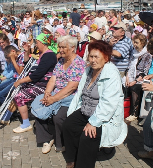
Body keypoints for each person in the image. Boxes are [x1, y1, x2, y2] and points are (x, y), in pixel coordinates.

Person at [62, 40, 127, 168]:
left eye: (96, 57)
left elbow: (109, 103)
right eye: (90, 56)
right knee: (68, 125)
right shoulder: (89, 71)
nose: (92, 60)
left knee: (88, 136)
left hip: (103, 116)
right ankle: (71, 160)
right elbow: (80, 94)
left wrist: (93, 122)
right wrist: (73, 112)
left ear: (106, 58)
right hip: (86, 109)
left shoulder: (111, 74)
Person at [31, 35, 86, 154]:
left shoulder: (78, 63)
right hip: (56, 93)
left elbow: (72, 87)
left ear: (72, 48)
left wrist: (53, 99)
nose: (60, 50)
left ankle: (62, 141)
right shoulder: (61, 61)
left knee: (59, 117)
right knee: (39, 106)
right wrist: (47, 93)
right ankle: (47, 138)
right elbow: (53, 79)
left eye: (63, 47)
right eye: (59, 47)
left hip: (71, 96)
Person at [12, 33, 57, 133]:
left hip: (44, 85)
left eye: (37, 42)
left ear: (43, 43)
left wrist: (20, 81)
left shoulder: (49, 55)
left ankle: (26, 123)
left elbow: (37, 74)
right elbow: (27, 65)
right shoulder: (41, 53)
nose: (36, 45)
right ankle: (12, 114)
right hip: (37, 83)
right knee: (16, 90)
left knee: (19, 95)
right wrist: (27, 52)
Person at [125, 34, 152, 122]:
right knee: (123, 86)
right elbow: (129, 67)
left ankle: (134, 113)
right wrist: (127, 78)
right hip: (131, 77)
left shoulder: (147, 55)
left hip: (140, 79)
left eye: (136, 42)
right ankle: (125, 109)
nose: (134, 44)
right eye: (134, 42)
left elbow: (144, 72)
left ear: (142, 43)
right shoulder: (134, 53)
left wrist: (135, 81)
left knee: (135, 88)